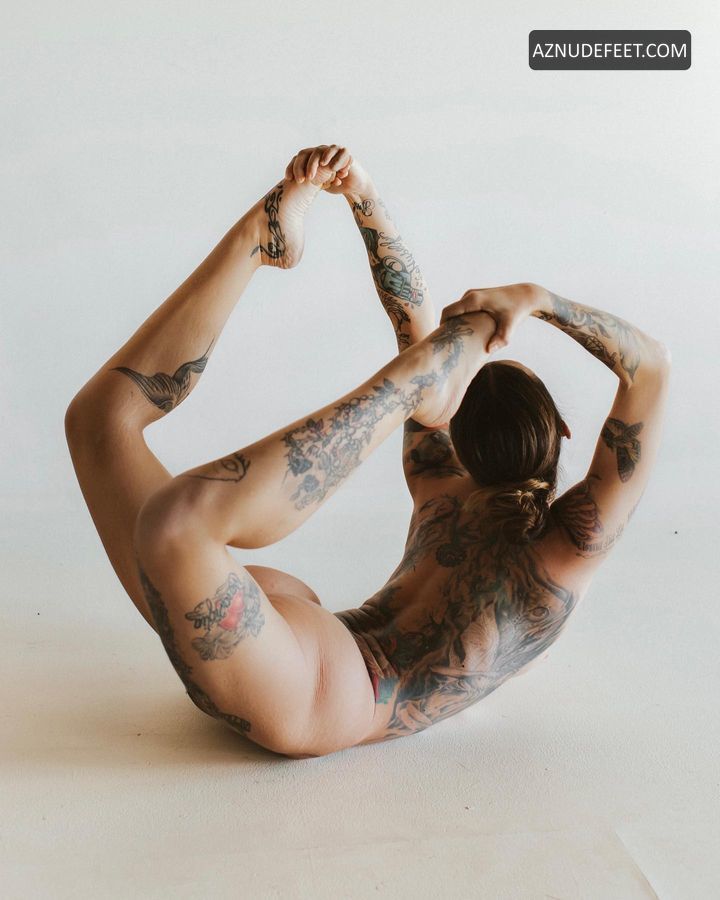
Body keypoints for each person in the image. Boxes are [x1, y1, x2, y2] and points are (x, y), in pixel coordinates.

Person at [65, 144, 671, 760]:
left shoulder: (446, 484)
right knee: (122, 455)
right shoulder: (570, 543)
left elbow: (410, 319)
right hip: (305, 664)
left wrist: (365, 196)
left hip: (313, 676)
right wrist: (540, 300)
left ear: (456, 432)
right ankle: (268, 244)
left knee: (131, 462)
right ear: (563, 430)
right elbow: (650, 368)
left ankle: (400, 367)